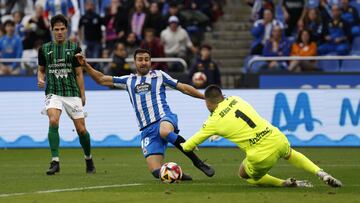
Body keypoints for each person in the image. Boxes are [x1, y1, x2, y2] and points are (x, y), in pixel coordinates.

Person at [75, 48, 215, 180]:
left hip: (164, 118)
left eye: (146, 59)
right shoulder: (128, 80)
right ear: (135, 62)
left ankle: (198, 162)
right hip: (147, 130)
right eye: (140, 59)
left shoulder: (159, 75)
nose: (143, 62)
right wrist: (85, 65)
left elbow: (183, 88)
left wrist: (205, 97)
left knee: (165, 131)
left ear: (150, 61)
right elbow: (101, 79)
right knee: (156, 171)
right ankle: (178, 174)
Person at [182, 85, 343, 188]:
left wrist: (202, 137)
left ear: (208, 103)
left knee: (243, 173)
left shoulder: (212, 122)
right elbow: (235, 120)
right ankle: (320, 172)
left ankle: (284, 184)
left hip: (260, 156)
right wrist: (219, 132)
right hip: (276, 138)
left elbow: (188, 146)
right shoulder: (236, 99)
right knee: (290, 153)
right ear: (222, 96)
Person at [37, 14, 96, 175]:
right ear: (52, 30)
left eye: (62, 29)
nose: (60, 32)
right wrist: (41, 79)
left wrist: (83, 95)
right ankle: (55, 161)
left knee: (81, 130)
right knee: (53, 120)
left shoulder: (74, 48)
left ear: (67, 30)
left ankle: (88, 158)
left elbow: (78, 74)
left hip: (71, 92)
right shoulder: (44, 49)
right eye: (56, 29)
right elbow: (41, 70)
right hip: (53, 92)